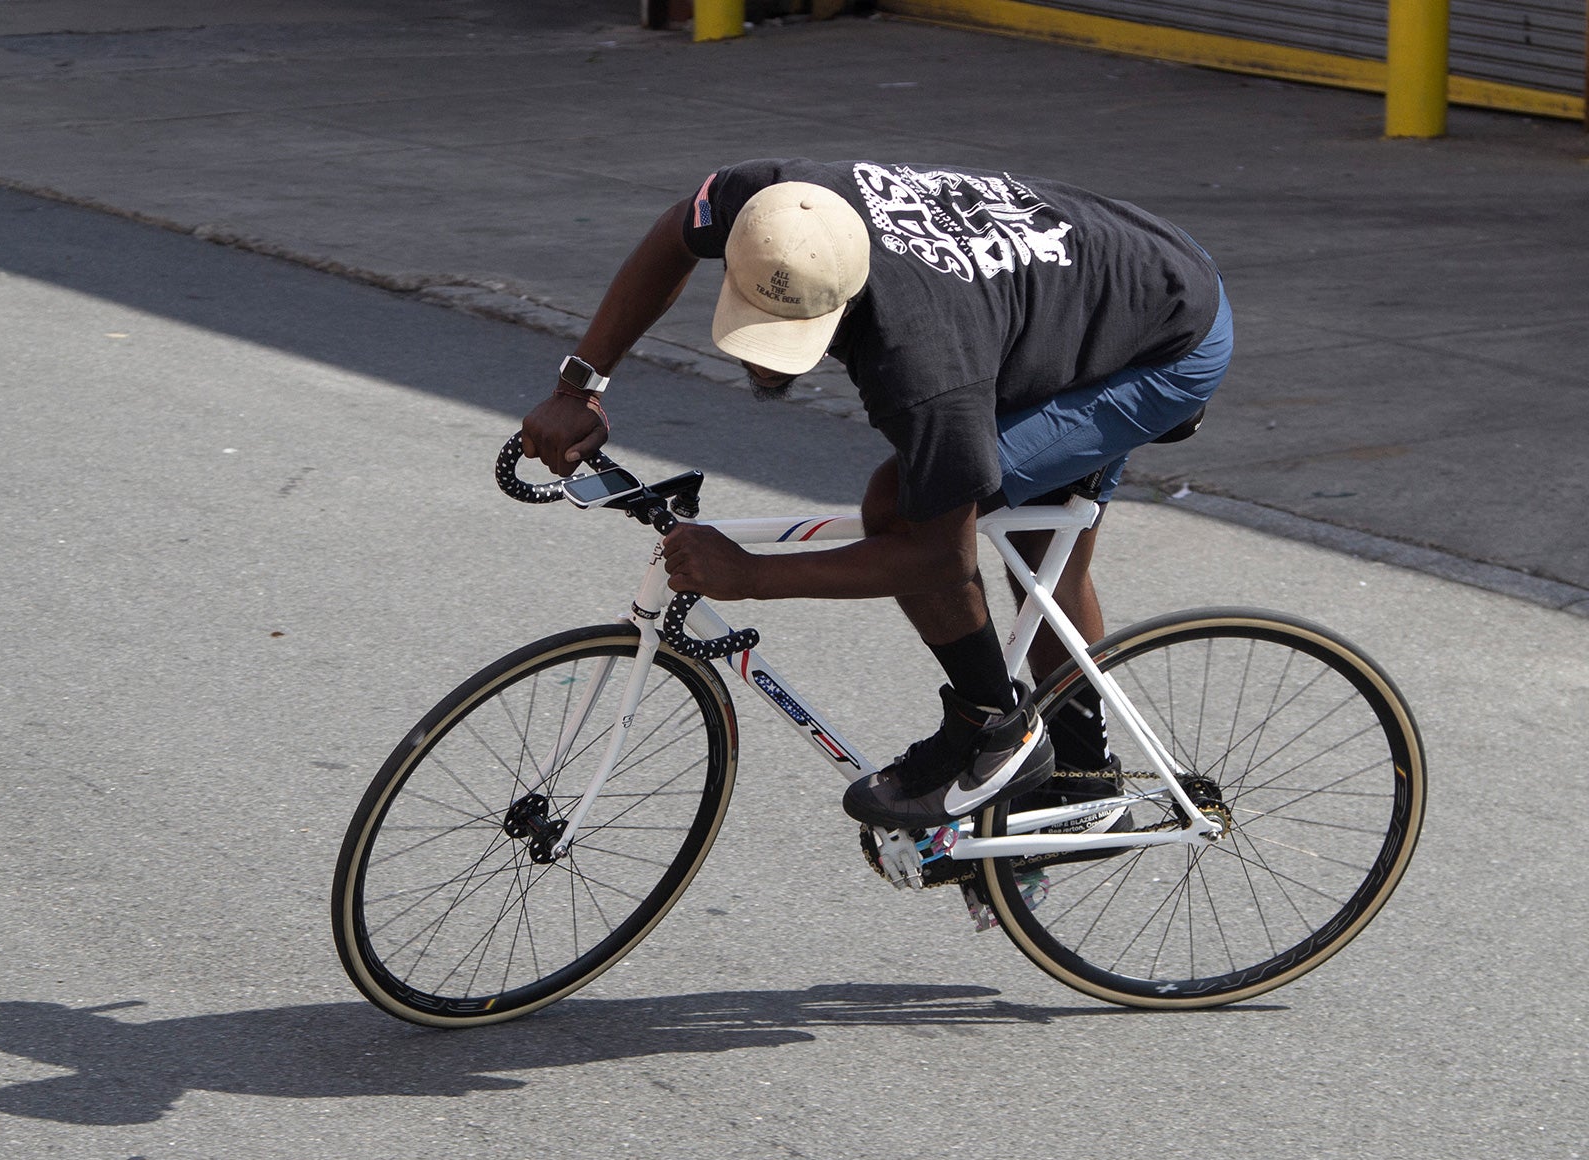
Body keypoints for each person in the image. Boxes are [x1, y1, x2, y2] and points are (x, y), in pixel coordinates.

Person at [520, 159, 1231, 832]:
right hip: (1101, 265)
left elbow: (934, 560)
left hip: (1163, 337)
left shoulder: (923, 361)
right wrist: (578, 386)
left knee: (902, 504)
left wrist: (756, 577)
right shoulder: (769, 203)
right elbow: (678, 228)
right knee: (1035, 546)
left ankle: (994, 728)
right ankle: (1087, 785)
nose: (763, 359)